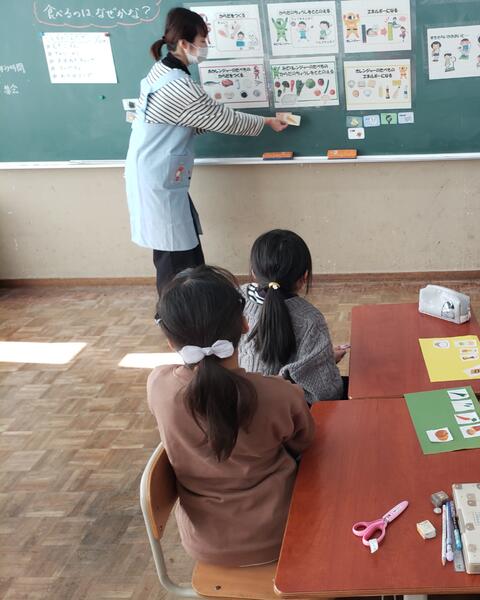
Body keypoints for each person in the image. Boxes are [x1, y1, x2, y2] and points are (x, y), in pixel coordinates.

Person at [148, 265, 314, 566]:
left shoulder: (159, 386)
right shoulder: (280, 394)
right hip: (283, 534)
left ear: (171, 342)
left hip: (206, 546)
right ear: (245, 323)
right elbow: (305, 442)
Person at [125, 7, 288, 294]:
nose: (206, 46)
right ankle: (176, 312)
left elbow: (194, 120)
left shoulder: (161, 71)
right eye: (202, 40)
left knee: (180, 251)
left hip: (156, 172)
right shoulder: (179, 86)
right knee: (176, 258)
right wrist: (266, 122)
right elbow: (222, 119)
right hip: (157, 177)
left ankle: (190, 307)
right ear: (184, 43)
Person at [238, 230, 347, 403]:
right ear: (304, 278)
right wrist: (325, 361)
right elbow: (326, 393)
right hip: (285, 409)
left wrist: (323, 357)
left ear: (254, 272)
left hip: (241, 401)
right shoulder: (310, 319)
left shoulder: (237, 298)